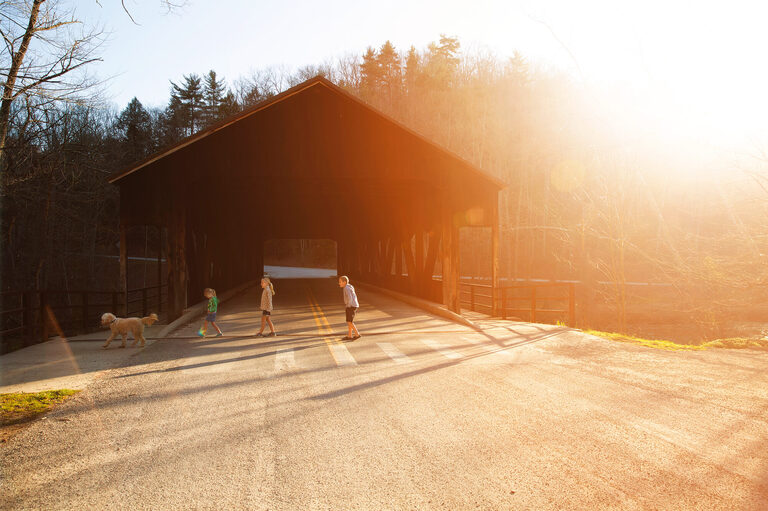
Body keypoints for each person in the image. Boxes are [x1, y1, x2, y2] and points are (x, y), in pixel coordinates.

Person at [338, 275, 361, 340]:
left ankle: (357, 334)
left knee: (349, 321)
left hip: (351, 306)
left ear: (344, 282)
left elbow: (350, 297)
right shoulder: (349, 286)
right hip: (353, 305)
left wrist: (348, 305)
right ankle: (350, 335)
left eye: (340, 282)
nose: (339, 283)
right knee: (349, 321)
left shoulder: (346, 288)